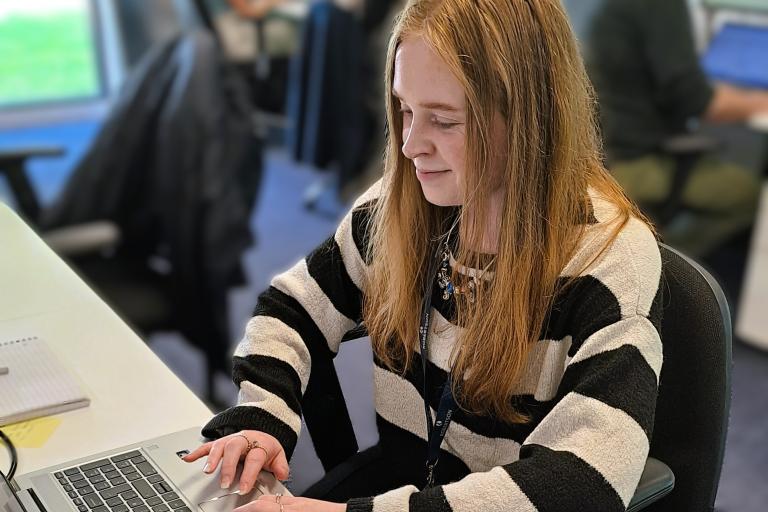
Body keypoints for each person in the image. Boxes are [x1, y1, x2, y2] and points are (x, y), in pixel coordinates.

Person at [184, 1, 664, 511]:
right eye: (405, 110)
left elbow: (581, 483)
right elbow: (292, 308)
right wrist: (262, 417)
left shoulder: (610, 262)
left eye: (443, 120)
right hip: (403, 485)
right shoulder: (405, 207)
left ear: (530, 118)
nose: (411, 145)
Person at [585, 0, 768, 258]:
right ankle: (670, 262)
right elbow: (701, 102)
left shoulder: (621, 9)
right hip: (639, 165)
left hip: (611, 155)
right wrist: (759, 101)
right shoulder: (659, 7)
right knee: (749, 196)